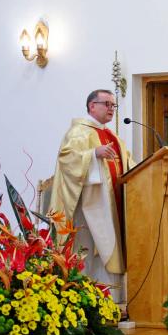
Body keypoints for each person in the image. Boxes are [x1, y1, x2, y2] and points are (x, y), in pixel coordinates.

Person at [49, 89, 135, 303]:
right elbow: (66, 159)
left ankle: (113, 299)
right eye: (107, 104)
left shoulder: (113, 136)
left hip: (114, 203)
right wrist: (93, 154)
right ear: (91, 106)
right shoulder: (79, 132)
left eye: (113, 105)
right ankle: (86, 298)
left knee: (112, 245)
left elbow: (129, 165)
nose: (111, 109)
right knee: (90, 247)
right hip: (90, 206)